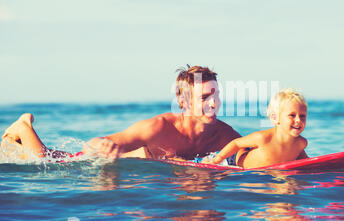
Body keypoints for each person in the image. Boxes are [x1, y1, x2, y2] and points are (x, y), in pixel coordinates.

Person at [1, 65, 241, 161]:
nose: (214, 103)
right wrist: (103, 148)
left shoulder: (223, 134)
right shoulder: (158, 128)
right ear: (184, 101)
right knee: (48, 160)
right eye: (204, 97)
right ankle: (24, 127)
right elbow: (95, 143)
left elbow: (248, 152)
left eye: (216, 95)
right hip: (101, 160)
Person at [209, 88, 309, 169]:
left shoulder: (301, 143)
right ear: (275, 118)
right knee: (210, 159)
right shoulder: (263, 138)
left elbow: (305, 161)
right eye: (292, 115)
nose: (298, 120)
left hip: (269, 171)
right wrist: (218, 159)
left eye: (302, 116)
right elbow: (236, 143)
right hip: (233, 160)